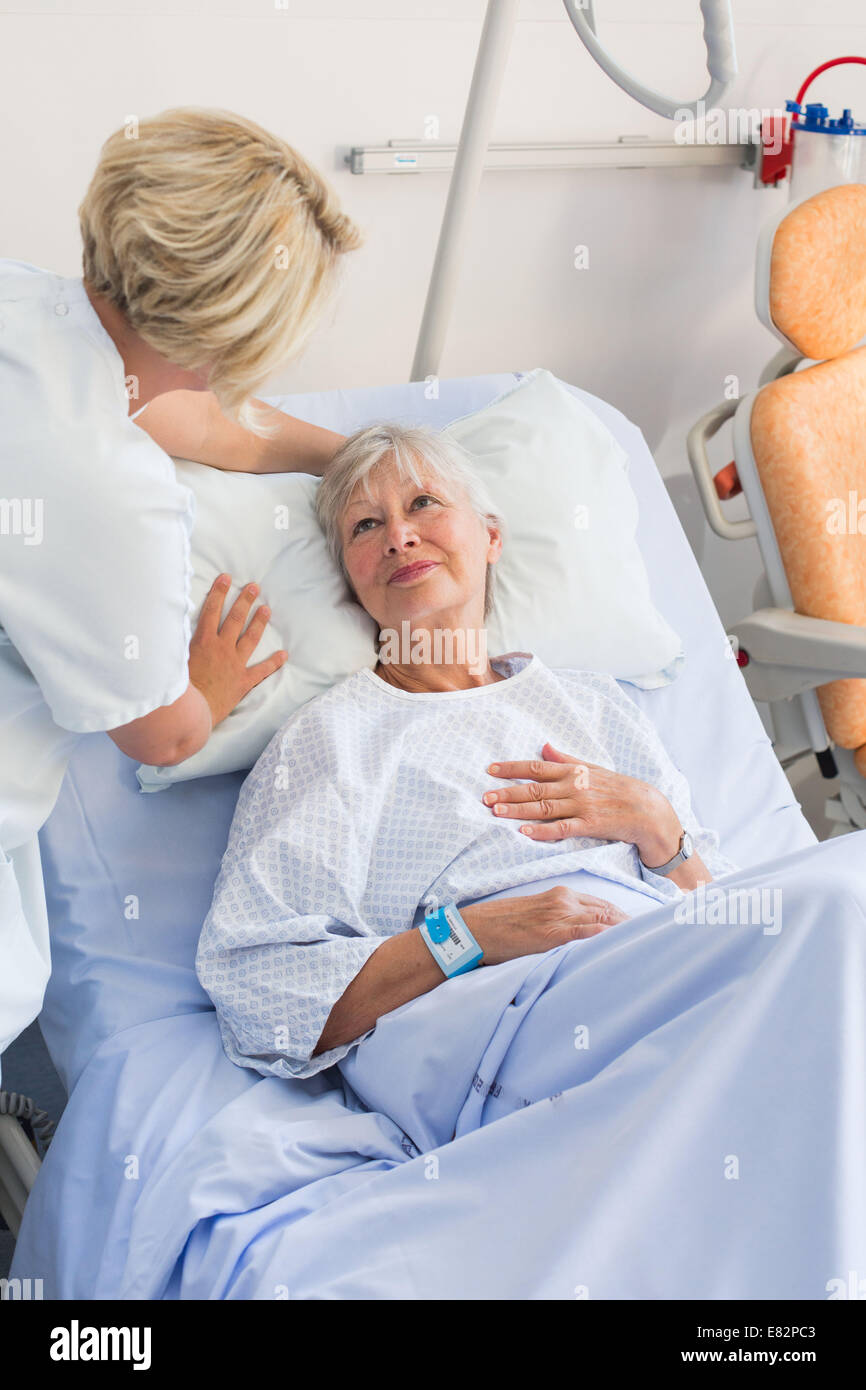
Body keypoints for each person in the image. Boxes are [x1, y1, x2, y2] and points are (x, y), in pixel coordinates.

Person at [196, 422, 739, 1080]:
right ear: (351, 580)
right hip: (512, 1016)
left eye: (423, 503)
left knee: (835, 908)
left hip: (666, 963)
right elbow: (259, 988)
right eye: (366, 526)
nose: (398, 535)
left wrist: (660, 827)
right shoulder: (333, 739)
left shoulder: (594, 705)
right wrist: (471, 936)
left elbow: (727, 912)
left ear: (491, 536)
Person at [0, 107, 362, 1078]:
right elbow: (156, 733)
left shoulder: (28, 308)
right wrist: (208, 679)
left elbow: (195, 419)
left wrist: (351, 455)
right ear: (228, 336)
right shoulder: (113, 498)